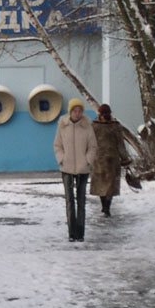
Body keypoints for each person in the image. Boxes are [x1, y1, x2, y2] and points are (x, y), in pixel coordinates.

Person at [53, 97, 97, 242]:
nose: (77, 113)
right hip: (67, 168)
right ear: (70, 111)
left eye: (79, 111)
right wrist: (62, 158)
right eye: (75, 110)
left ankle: (80, 233)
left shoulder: (87, 126)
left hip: (83, 170)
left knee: (81, 201)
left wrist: (88, 161)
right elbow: (57, 145)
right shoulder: (63, 125)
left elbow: (92, 146)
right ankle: (72, 233)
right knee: (70, 201)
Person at [90, 103, 132, 217]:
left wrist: (124, 158)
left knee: (107, 186)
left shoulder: (96, 126)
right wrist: (124, 158)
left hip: (106, 161)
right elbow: (120, 144)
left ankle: (106, 207)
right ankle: (105, 206)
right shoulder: (100, 126)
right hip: (104, 160)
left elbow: (120, 144)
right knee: (105, 186)